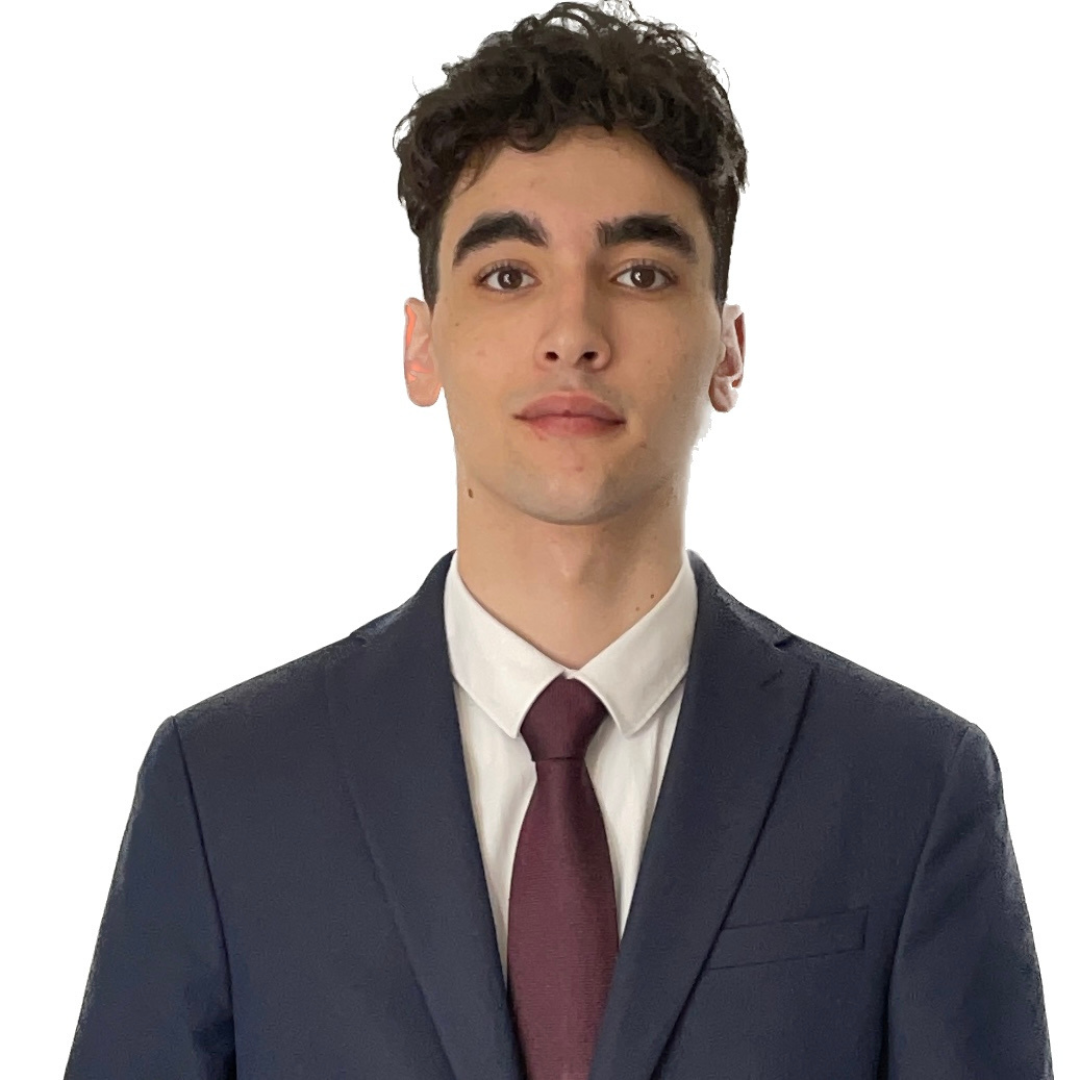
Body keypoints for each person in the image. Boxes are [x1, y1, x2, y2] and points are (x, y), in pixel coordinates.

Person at [64, 2, 1054, 1077]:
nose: (574, 332)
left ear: (729, 350)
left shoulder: (911, 789)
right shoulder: (224, 794)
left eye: (640, 273)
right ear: (420, 346)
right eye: (507, 274)